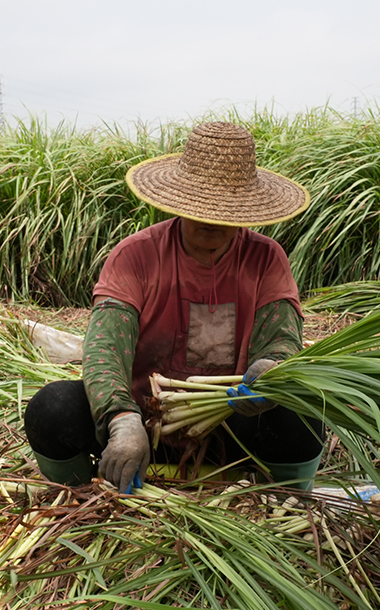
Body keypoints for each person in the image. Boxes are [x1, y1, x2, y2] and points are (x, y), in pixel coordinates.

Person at [25, 121, 324, 492]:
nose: (209, 218)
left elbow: (281, 340)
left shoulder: (265, 260)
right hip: (142, 435)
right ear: (180, 200)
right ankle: (78, 497)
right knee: (52, 409)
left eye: (224, 208)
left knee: (303, 412)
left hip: (232, 429)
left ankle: (288, 504)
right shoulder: (135, 257)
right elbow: (104, 351)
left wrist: (271, 371)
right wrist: (121, 419)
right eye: (200, 205)